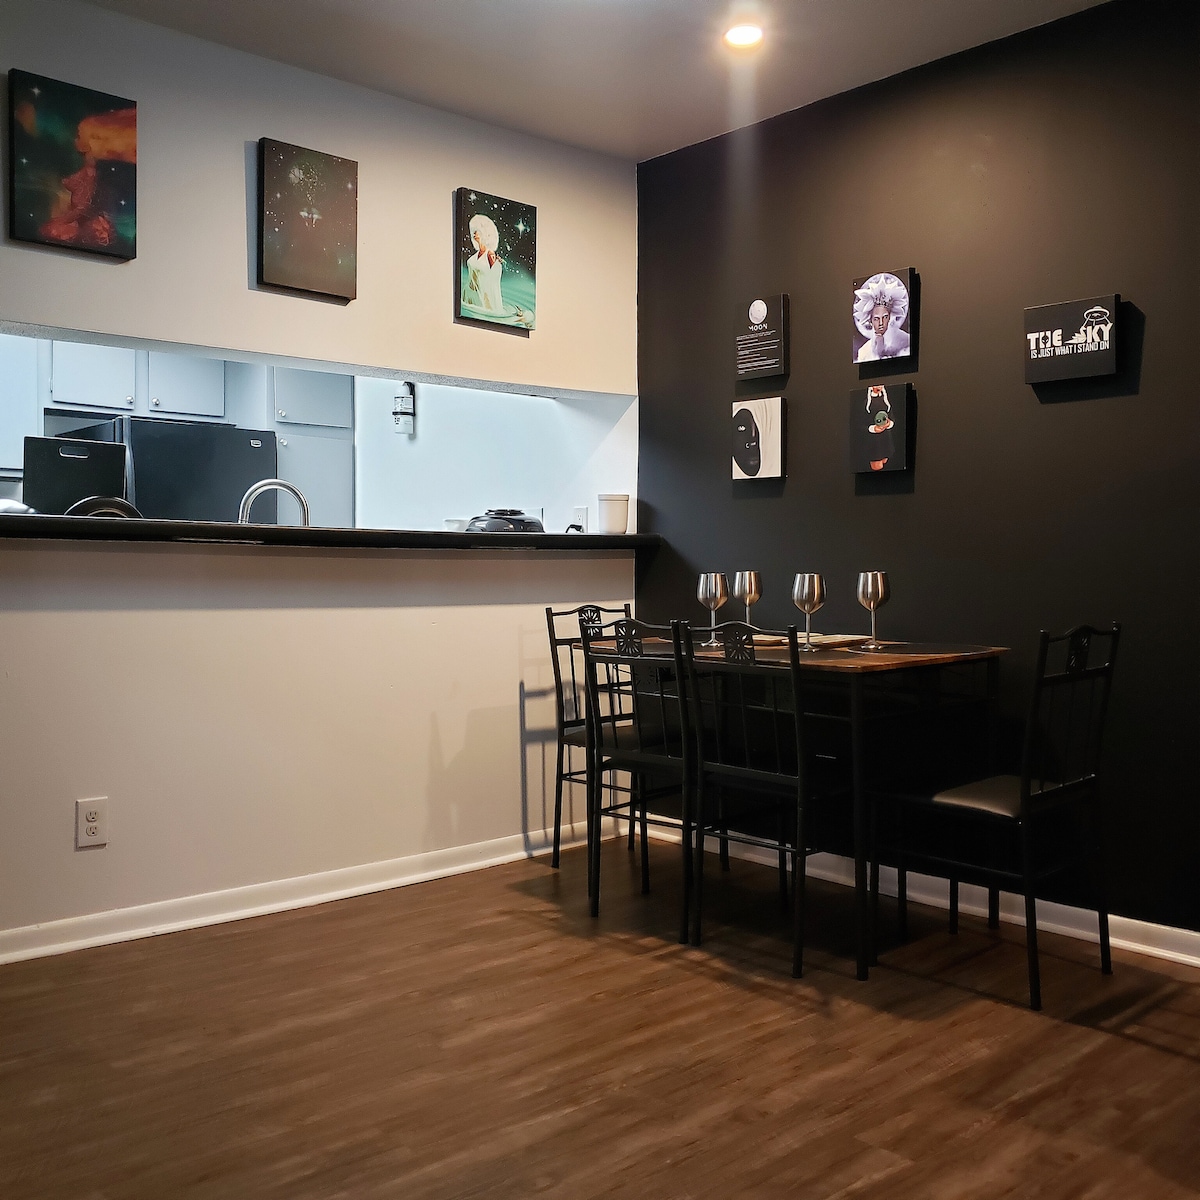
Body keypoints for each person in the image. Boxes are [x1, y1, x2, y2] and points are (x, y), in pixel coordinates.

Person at [853, 272, 911, 362]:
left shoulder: (907, 342)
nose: (881, 323)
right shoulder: (863, 353)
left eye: (885, 317)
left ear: (891, 316)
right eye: (876, 319)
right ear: (870, 320)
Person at [464, 213, 504, 314]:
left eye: (476, 231)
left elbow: (493, 278)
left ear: (483, 232)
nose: (474, 234)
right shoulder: (476, 254)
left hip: (483, 297)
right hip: (468, 294)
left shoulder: (490, 254)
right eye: (473, 231)